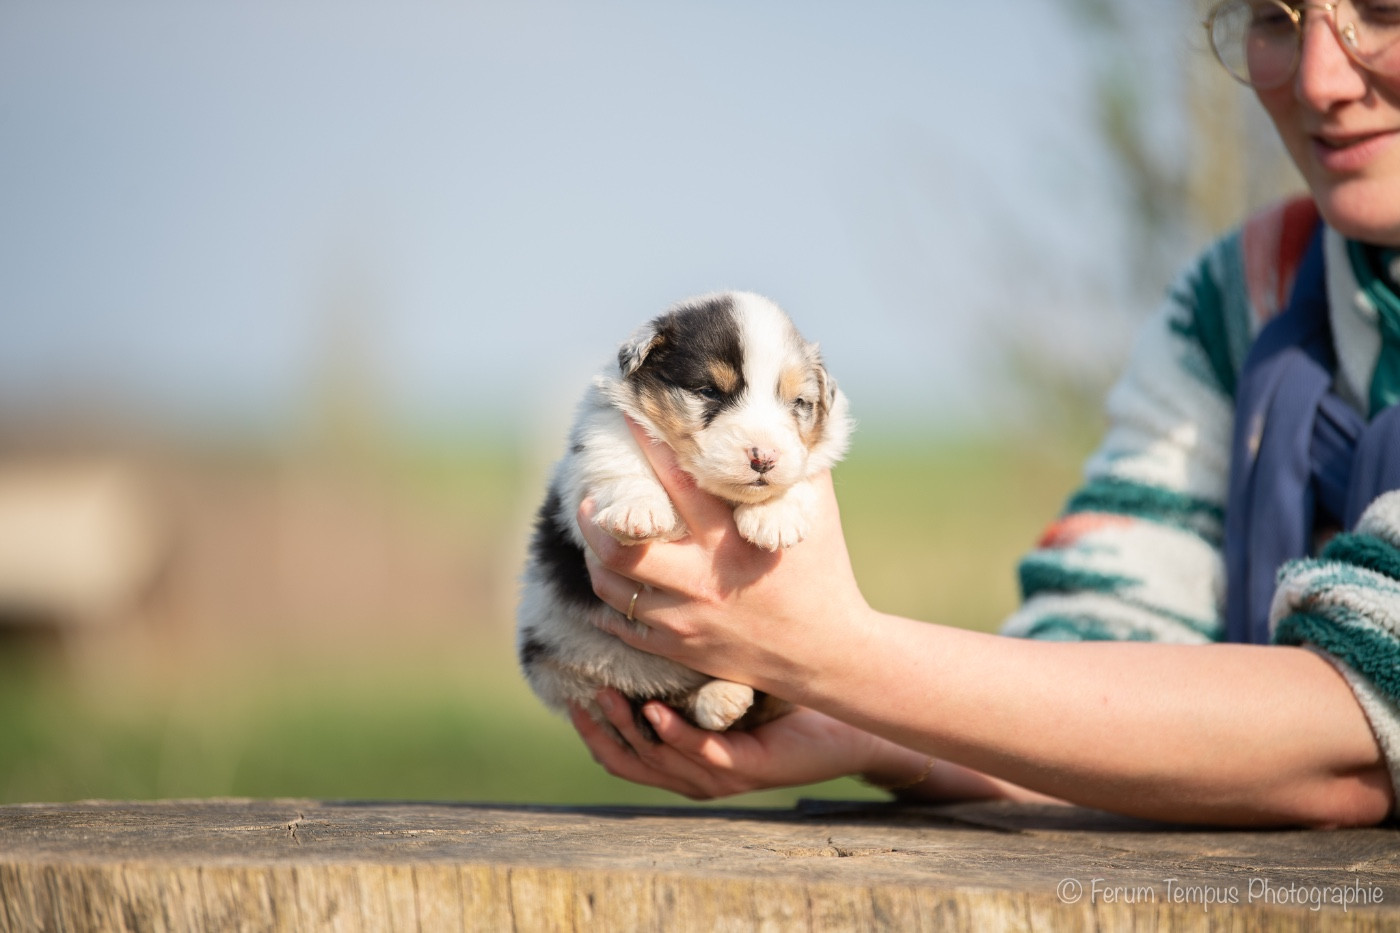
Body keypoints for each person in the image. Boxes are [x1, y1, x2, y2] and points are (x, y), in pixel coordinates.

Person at [567, 0, 1400, 828]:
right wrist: (869, 730)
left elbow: (1364, 719)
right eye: (1276, 18)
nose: (1320, 78)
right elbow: (1096, 661)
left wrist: (839, 658)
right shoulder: (1241, 296)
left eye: (1384, 10)